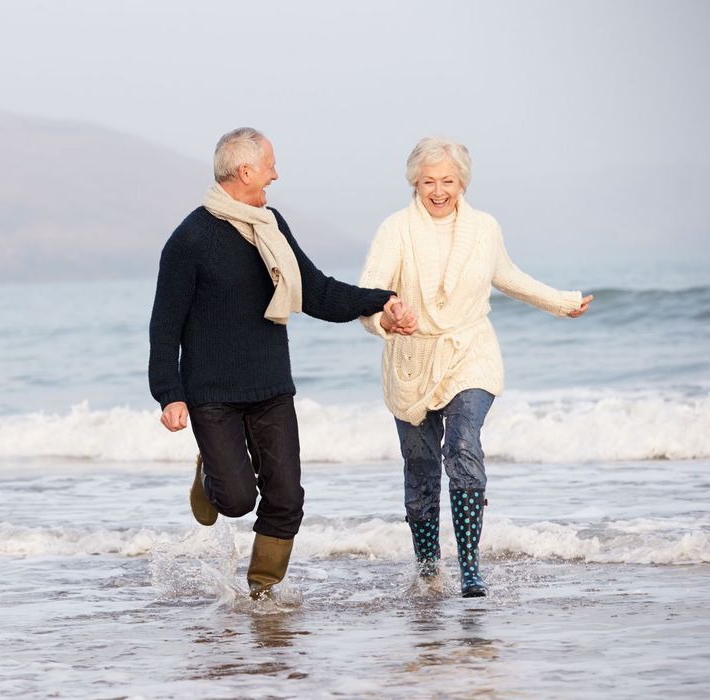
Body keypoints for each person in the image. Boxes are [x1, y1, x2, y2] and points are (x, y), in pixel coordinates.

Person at [148, 127, 411, 599]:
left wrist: (382, 301)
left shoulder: (271, 225)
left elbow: (316, 291)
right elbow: (165, 325)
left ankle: (261, 594)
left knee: (287, 498)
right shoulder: (190, 240)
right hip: (212, 394)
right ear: (245, 170)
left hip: (270, 385)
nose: (276, 174)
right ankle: (208, 471)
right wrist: (170, 394)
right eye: (269, 165)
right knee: (235, 500)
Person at [357, 136, 592, 598]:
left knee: (463, 445)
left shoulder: (484, 228)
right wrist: (386, 315)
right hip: (412, 359)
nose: (439, 190)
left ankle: (469, 568)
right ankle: (428, 569)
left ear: (462, 181)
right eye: (429, 181)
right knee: (420, 466)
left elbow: (508, 276)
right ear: (415, 182)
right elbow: (369, 291)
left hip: (471, 351)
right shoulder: (396, 230)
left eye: (448, 180)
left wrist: (561, 302)